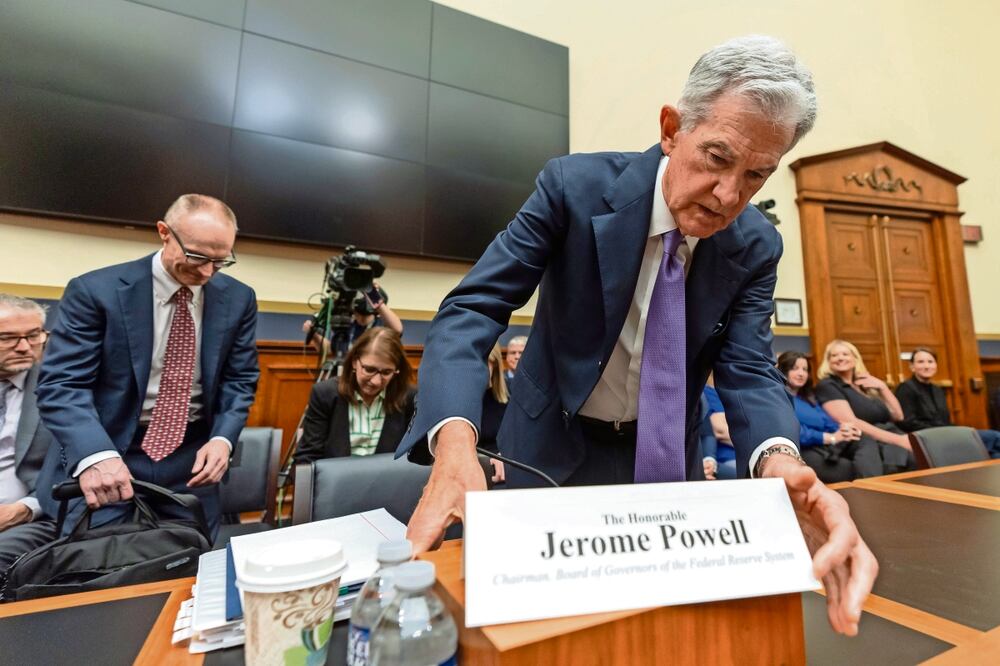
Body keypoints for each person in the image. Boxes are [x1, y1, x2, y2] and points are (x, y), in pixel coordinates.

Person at [398, 35, 876, 635]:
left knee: (659, 631)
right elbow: (473, 309)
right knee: (536, 631)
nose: (729, 196)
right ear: (672, 129)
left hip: (665, 460)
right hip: (548, 447)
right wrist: (454, 438)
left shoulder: (756, 243)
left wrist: (778, 458)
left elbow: (750, 368)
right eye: (717, 158)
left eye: (756, 175)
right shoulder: (572, 187)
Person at [35, 194, 259, 538]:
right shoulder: (96, 291)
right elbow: (62, 385)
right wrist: (96, 455)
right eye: (197, 256)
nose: (207, 271)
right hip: (110, 454)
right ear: (164, 232)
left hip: (191, 462)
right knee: (97, 571)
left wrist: (223, 440)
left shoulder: (238, 298)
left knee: (190, 569)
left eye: (220, 261)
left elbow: (240, 380)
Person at [294, 327, 415, 463]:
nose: (376, 381)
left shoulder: (409, 398)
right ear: (354, 362)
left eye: (386, 372)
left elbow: (414, 457)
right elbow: (307, 457)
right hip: (334, 482)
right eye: (369, 370)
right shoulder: (324, 394)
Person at [0, 296, 57, 572]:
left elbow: (75, 466)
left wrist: (23, 509)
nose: (24, 347)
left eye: (34, 336)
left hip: (31, 517)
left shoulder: (61, 389)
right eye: (7, 338)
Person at [814, 340, 915, 474]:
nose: (840, 358)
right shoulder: (828, 385)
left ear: (855, 359)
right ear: (828, 362)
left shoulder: (864, 385)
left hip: (890, 434)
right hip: (867, 439)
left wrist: (882, 387)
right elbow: (851, 422)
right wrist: (899, 440)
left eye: (845, 354)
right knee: (909, 460)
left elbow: (898, 416)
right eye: (834, 355)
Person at [778, 351, 878, 482]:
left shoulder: (808, 398)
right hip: (804, 449)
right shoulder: (779, 398)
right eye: (794, 369)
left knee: (864, 440)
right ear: (783, 370)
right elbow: (792, 431)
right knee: (848, 468)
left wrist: (842, 429)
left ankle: (874, 488)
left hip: (828, 445)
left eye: (805, 369)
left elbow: (825, 421)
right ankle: (870, 491)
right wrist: (829, 437)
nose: (801, 373)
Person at [895, 347, 1000, 457]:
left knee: (995, 454)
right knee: (995, 437)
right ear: (912, 367)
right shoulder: (905, 389)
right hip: (927, 436)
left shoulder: (938, 390)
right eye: (920, 362)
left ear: (936, 365)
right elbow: (906, 422)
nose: (926, 366)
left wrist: (958, 430)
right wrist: (945, 431)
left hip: (946, 432)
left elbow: (945, 419)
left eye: (930, 362)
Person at [700, 382, 736, 480]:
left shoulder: (735, 393)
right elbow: (719, 430)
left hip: (740, 459)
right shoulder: (705, 392)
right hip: (725, 459)